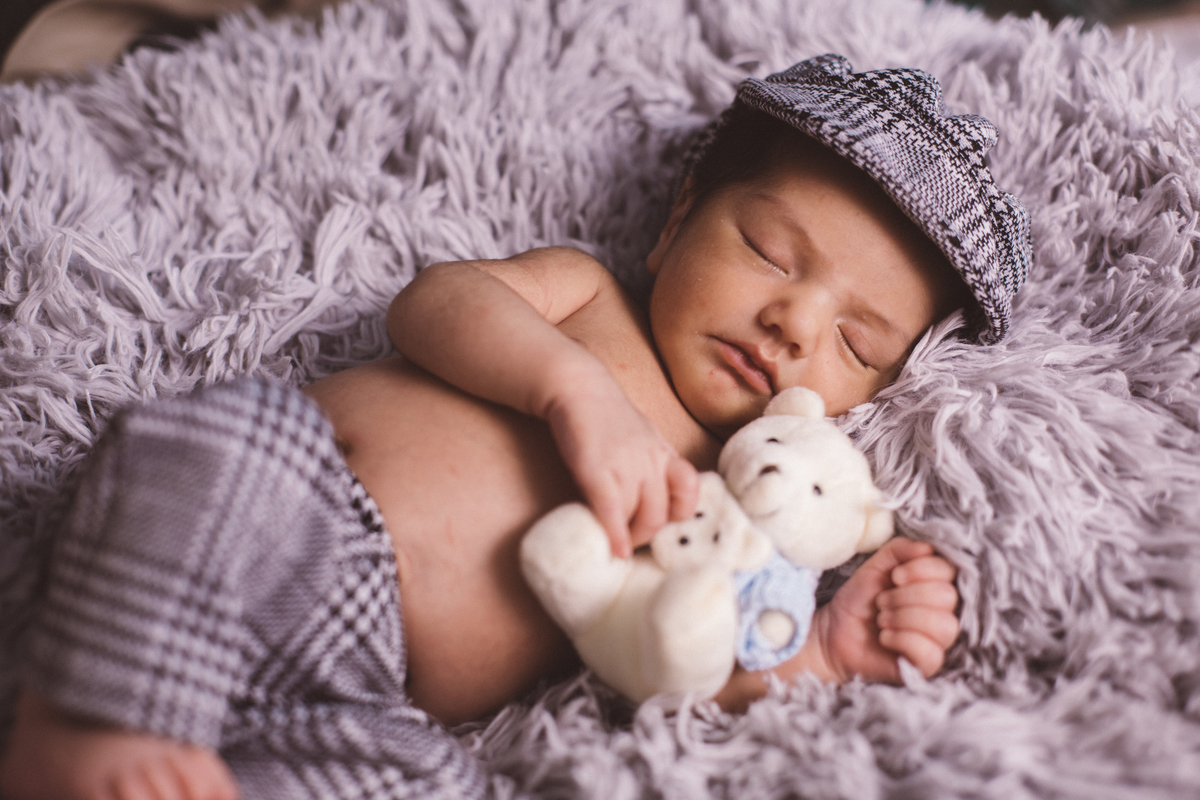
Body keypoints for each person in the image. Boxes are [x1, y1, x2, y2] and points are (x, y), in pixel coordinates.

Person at [0, 55, 1031, 799]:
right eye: (768, 249)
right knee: (217, 449)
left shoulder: (744, 499)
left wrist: (818, 657)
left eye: (858, 343)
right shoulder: (590, 298)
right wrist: (571, 388)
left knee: (434, 780)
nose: (796, 322)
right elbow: (433, 303)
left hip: (369, 693)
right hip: (284, 523)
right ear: (679, 218)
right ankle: (85, 725)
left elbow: (683, 665)